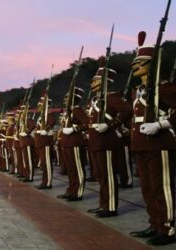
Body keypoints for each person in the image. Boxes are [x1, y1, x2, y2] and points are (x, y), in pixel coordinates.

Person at [129, 31, 176, 246]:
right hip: (141, 145)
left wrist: (161, 124)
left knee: (161, 187)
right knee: (147, 188)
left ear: (151, 64)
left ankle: (168, 227)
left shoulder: (164, 88)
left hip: (160, 144)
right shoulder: (138, 91)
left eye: (140, 62)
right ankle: (155, 223)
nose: (134, 66)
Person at [86, 58, 133, 218]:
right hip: (96, 142)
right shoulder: (95, 101)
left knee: (108, 175)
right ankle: (103, 204)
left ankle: (111, 206)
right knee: (100, 175)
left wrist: (111, 124)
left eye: (95, 80)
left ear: (103, 82)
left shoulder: (111, 98)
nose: (92, 83)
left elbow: (127, 110)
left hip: (106, 141)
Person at [58, 88, 88, 201]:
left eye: (67, 98)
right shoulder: (69, 111)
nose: (65, 100)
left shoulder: (77, 110)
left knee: (77, 168)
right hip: (67, 143)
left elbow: (87, 123)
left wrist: (74, 129)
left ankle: (78, 192)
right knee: (70, 169)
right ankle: (71, 190)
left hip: (75, 142)